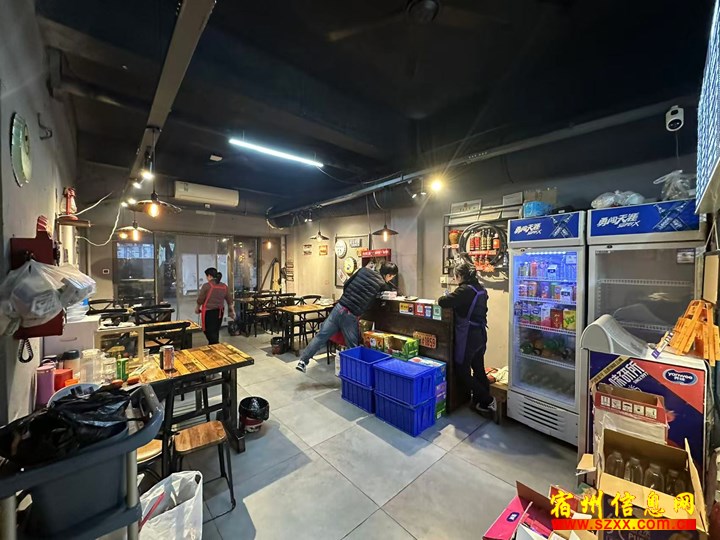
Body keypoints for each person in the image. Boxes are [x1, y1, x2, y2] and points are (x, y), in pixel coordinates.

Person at [296, 261, 398, 373]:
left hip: (339, 307)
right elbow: (381, 299)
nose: (391, 279)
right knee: (352, 346)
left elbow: (347, 284)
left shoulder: (363, 270)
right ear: (388, 275)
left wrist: (347, 298)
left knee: (321, 336)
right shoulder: (382, 284)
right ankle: (354, 374)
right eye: (391, 277)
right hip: (350, 314)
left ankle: (303, 361)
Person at [438, 254, 496, 415]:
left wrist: (446, 295)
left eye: (455, 276)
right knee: (478, 368)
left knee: (462, 370)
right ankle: (480, 403)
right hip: (481, 334)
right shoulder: (481, 289)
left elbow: (443, 302)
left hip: (468, 336)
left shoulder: (464, 290)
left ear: (460, 275)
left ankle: (487, 400)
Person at [195, 267, 235, 345]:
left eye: (206, 276)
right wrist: (232, 311)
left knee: (207, 330)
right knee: (215, 330)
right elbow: (229, 300)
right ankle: (214, 344)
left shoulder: (207, 286)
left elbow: (200, 299)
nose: (206, 278)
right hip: (220, 312)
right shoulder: (224, 286)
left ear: (209, 276)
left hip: (209, 312)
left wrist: (197, 308)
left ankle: (215, 345)